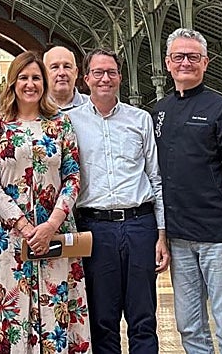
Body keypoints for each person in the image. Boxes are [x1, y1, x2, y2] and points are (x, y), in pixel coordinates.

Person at [0, 51, 90, 354]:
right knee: (12, 315)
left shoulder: (61, 124)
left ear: (45, 83)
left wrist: (51, 223)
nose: (30, 84)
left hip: (55, 234)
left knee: (57, 310)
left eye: (36, 78)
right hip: (10, 239)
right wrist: (26, 226)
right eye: (24, 77)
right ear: (12, 83)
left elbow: (73, 177)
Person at [152, 27, 222, 354]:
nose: (185, 63)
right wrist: (161, 237)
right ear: (167, 63)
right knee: (189, 326)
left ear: (205, 63)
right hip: (179, 240)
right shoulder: (157, 112)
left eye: (193, 57)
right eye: (179, 57)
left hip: (218, 237)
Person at [72, 49, 168, 354]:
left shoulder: (140, 119)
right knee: (102, 319)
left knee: (143, 317)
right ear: (85, 79)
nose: (105, 78)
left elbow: (156, 177)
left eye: (111, 72)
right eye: (98, 72)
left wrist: (162, 234)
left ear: (120, 78)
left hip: (140, 225)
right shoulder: (69, 122)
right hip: (95, 228)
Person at [45, 44, 87, 110]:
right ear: (44, 73)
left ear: (76, 73)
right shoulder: (32, 108)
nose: (62, 73)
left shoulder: (94, 107)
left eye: (67, 67)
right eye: (55, 67)